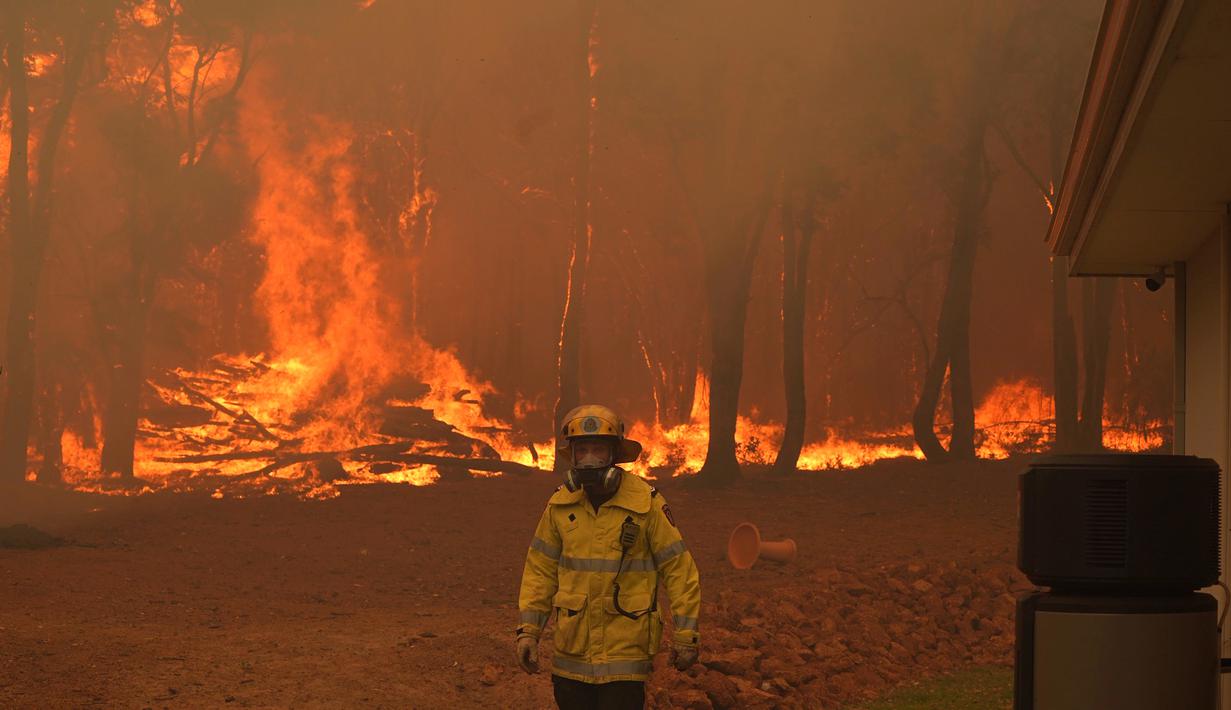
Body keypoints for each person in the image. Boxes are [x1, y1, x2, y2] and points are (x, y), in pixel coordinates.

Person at [515, 404, 701, 709]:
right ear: (571, 456)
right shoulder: (560, 505)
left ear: (614, 454)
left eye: (598, 450)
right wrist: (528, 632)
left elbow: (679, 570)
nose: (589, 460)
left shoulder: (647, 504)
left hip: (624, 660)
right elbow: (539, 571)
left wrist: (687, 634)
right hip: (570, 659)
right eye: (582, 450)